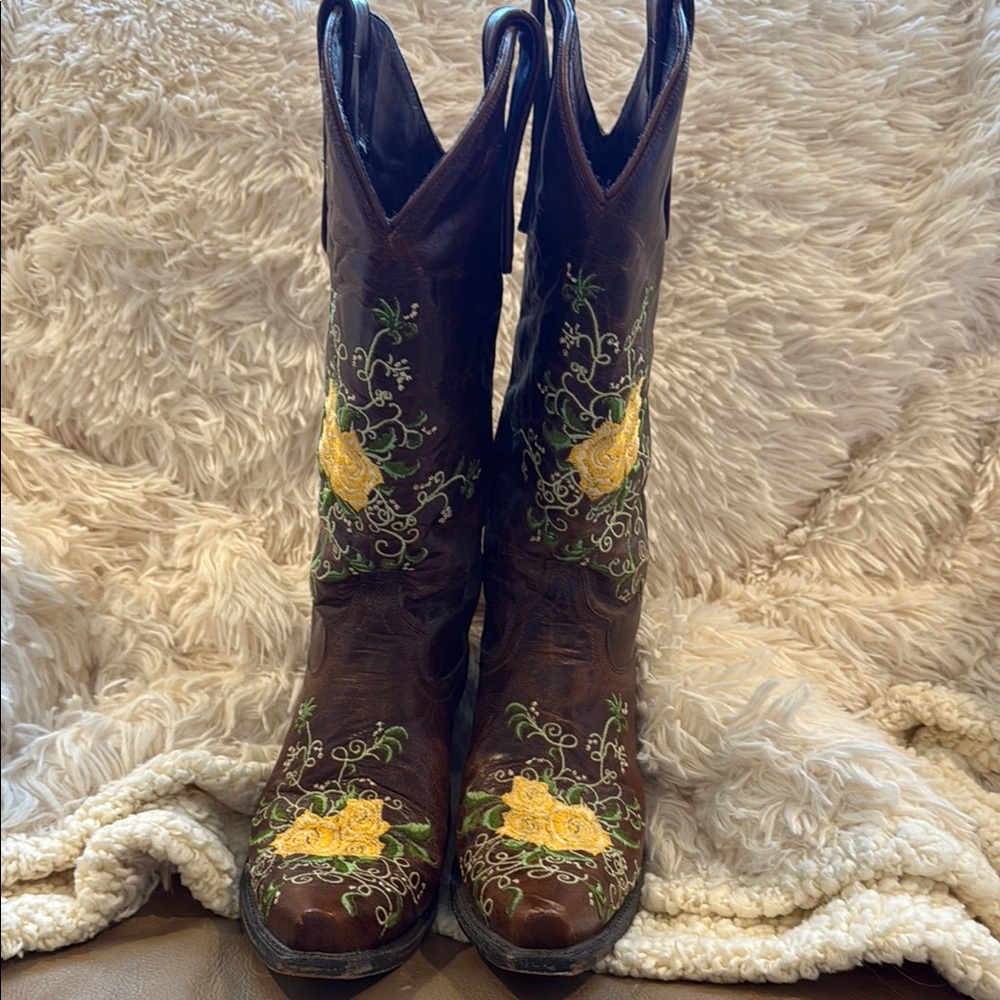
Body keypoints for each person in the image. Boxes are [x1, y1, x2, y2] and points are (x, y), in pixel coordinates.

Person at [240, 0, 694, 978]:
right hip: (373, 636)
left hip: (568, 620)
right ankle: (390, 639)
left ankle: (560, 628)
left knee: (591, 376)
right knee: (393, 330)